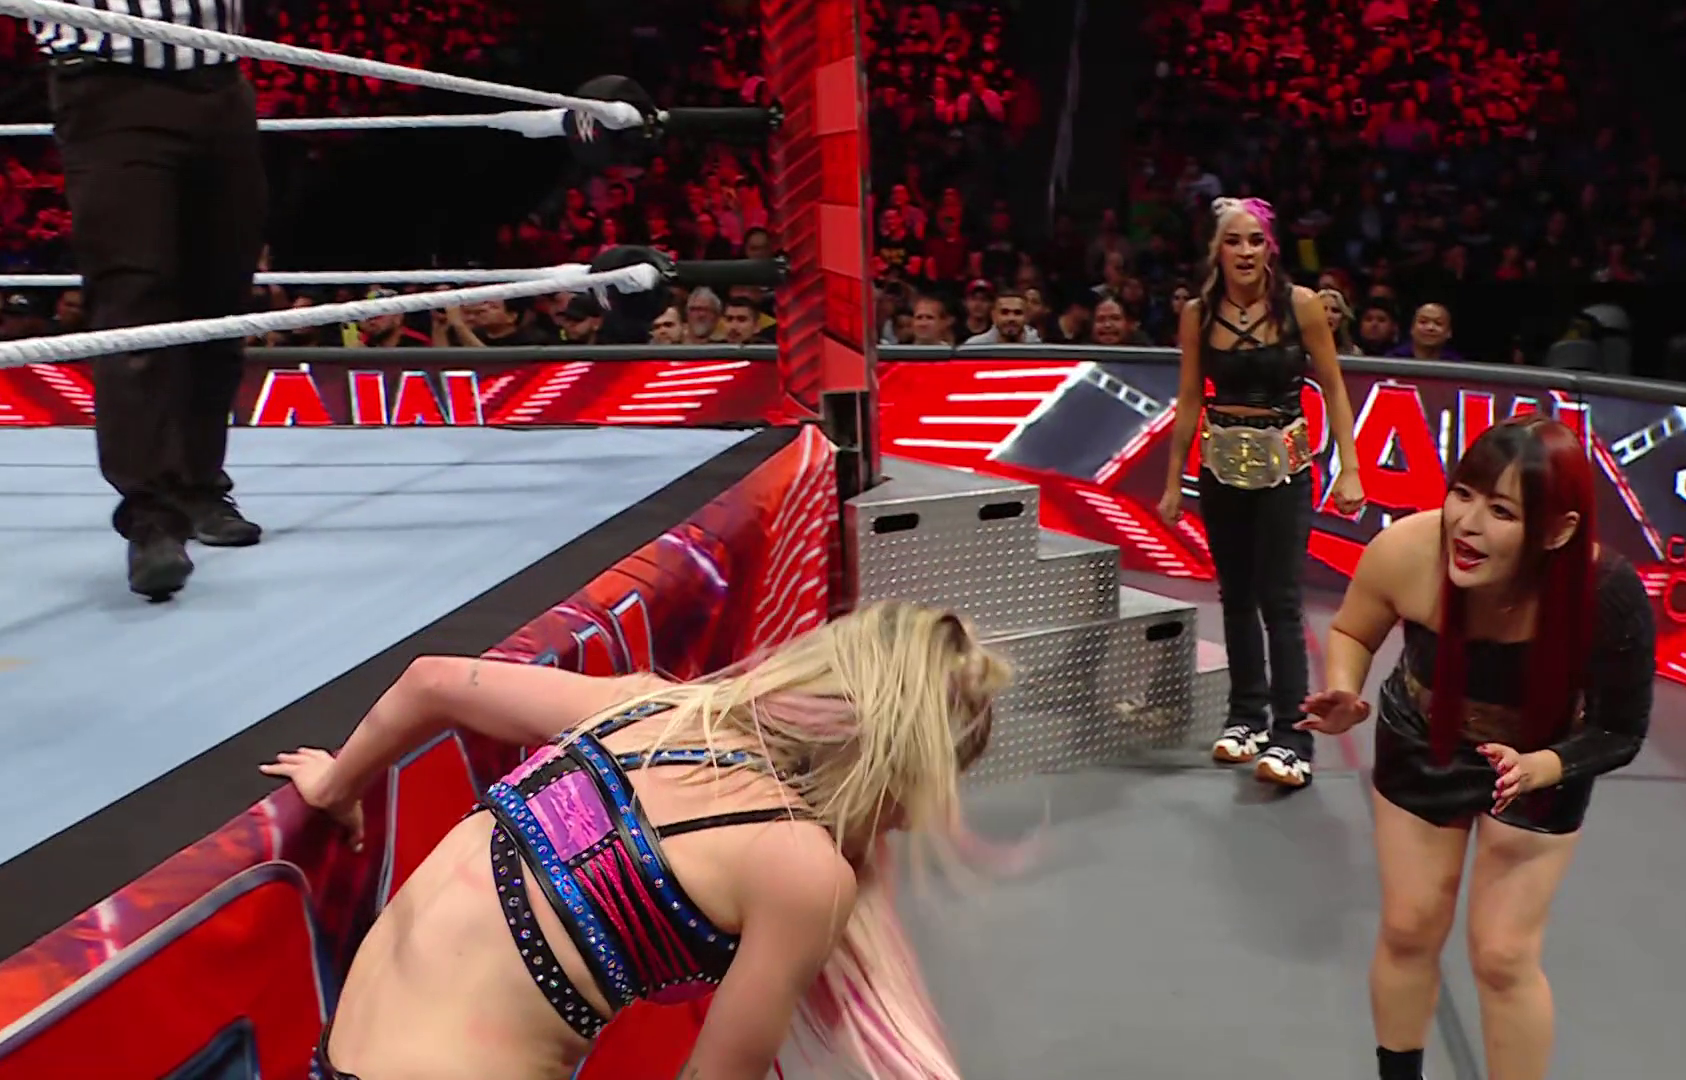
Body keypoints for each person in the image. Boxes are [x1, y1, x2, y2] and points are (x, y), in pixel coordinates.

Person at [262, 601, 1007, 1080]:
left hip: (334, 1058)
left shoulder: (647, 708)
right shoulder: (801, 869)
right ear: (900, 769)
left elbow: (431, 682)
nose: (910, 823)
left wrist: (337, 783)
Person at [1295, 416, 1655, 1080]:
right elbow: (1353, 631)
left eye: (1502, 511)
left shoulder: (1606, 594)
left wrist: (1539, 768)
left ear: (1557, 531)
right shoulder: (1407, 548)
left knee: (1503, 956)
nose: (1467, 524)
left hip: (1544, 757)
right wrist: (1345, 688)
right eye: (1462, 494)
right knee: (1409, 928)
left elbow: (1621, 731)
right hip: (1423, 736)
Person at [32, 0, 267, 600]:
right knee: (134, 295)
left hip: (220, 82)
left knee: (220, 298)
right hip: (111, 85)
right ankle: (150, 517)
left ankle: (199, 486)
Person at [1158, 196, 1366, 789]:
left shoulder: (1301, 305)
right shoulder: (1198, 314)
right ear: (1216, 250)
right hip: (1221, 467)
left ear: (1270, 247)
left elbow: (1334, 388)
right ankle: (1246, 717)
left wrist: (1350, 469)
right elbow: (1189, 399)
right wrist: (1173, 482)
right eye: (1233, 241)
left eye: (1255, 240)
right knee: (1235, 597)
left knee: (1280, 600)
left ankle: (1292, 737)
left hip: (1285, 468)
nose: (1245, 251)